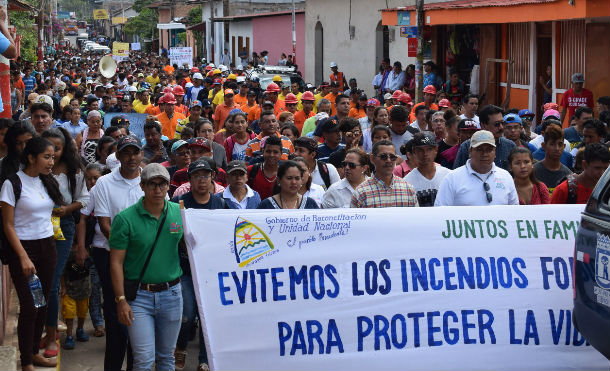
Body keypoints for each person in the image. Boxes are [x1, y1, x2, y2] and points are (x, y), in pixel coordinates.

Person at [109, 163, 183, 371]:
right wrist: (121, 300)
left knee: (167, 357)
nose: (158, 190)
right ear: (142, 186)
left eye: (162, 184)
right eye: (152, 184)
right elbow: (115, 262)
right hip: (139, 297)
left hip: (172, 294)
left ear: (168, 186)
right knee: (143, 359)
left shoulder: (179, 213)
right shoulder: (125, 219)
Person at [0, 137, 65, 370]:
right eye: (46, 157)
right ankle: (26, 360)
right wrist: (23, 257)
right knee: (29, 306)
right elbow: (8, 225)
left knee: (42, 303)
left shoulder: (46, 181)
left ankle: (34, 352)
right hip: (24, 250)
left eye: (53, 157)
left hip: (47, 247)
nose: (51, 161)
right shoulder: (12, 184)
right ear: (31, 157)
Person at [91, 136, 145, 371]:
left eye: (136, 152)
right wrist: (126, 251)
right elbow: (105, 224)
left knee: (139, 317)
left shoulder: (150, 179)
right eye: (126, 153)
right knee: (115, 319)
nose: (131, 158)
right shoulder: (104, 183)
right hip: (109, 255)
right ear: (119, 156)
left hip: (141, 259)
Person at [39, 127, 89, 358]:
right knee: (38, 281)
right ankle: (41, 329)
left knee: (51, 281)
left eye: (56, 149)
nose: (52, 153)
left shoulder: (73, 171)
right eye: (47, 148)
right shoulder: (32, 171)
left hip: (63, 227)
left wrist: (68, 209)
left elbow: (84, 198)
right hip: (35, 227)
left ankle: (51, 336)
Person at [435, 130, 519, 206]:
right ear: (470, 151)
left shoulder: (506, 176)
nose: (484, 154)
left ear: (495, 152)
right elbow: (441, 211)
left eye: (489, 150)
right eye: (479, 149)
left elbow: (514, 212)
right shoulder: (452, 178)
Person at [351, 140, 418, 208]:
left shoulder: (408, 189)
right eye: (383, 156)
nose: (388, 160)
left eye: (392, 157)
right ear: (372, 159)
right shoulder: (361, 193)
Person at [453, 105, 515, 170]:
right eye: (497, 124)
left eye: (502, 123)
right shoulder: (467, 146)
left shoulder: (509, 146)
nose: (501, 127)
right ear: (483, 125)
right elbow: (457, 174)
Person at [404, 132, 452, 206]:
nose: (425, 154)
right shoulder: (406, 183)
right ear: (414, 151)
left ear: (436, 150)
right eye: (420, 150)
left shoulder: (449, 176)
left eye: (429, 149)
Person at [60, 250, 91, 350]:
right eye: (79, 259)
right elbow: (62, 273)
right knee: (69, 313)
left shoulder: (89, 254)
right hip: (70, 291)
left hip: (85, 290)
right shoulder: (67, 257)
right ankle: (69, 336)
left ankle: (80, 330)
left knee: (82, 312)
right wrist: (63, 286)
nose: (81, 261)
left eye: (83, 259)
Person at [533, 124, 573, 194]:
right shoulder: (533, 172)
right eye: (552, 144)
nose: (557, 148)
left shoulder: (568, 175)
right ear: (544, 146)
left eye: (560, 144)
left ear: (564, 146)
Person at [247, 135, 281, 200]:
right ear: (262, 151)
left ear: (281, 153)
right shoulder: (251, 170)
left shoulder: (285, 173)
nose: (271, 155)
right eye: (268, 151)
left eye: (275, 152)